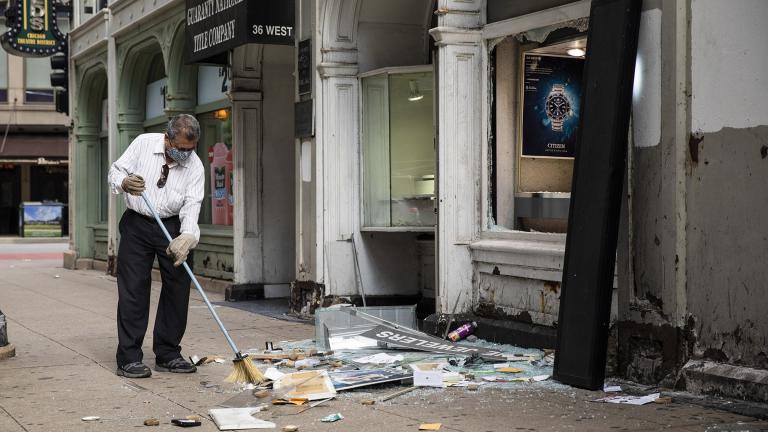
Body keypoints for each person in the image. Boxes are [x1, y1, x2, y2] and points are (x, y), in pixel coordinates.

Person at [107, 114, 205, 378]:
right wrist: (124, 183)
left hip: (172, 226)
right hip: (137, 224)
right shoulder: (143, 143)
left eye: (191, 149)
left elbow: (192, 205)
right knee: (134, 289)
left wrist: (187, 237)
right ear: (167, 138)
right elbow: (116, 170)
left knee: (177, 288)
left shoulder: (195, 167)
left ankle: (168, 352)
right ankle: (129, 357)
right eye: (181, 148)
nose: (186, 154)